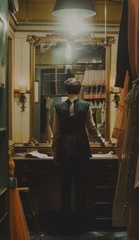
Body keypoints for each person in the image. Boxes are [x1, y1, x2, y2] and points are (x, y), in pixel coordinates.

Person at [51, 78, 107, 215]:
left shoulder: (58, 108)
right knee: (81, 187)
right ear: (79, 90)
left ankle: (66, 220)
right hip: (81, 150)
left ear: (66, 91)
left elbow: (56, 132)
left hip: (64, 151)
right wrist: (101, 141)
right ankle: (79, 222)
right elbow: (92, 128)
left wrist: (54, 152)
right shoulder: (86, 106)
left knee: (65, 187)